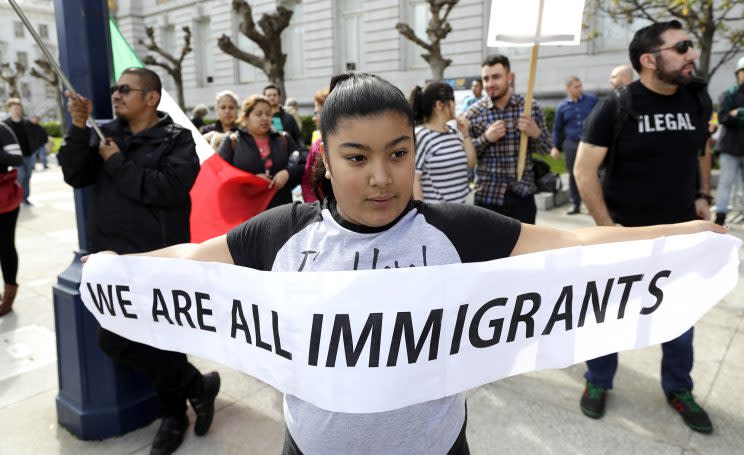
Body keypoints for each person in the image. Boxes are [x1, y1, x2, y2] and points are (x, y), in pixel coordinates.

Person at [105, 72, 725, 454]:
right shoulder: (280, 234)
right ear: (326, 160)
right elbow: (188, 264)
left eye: (398, 153)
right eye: (357, 157)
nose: (382, 177)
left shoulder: (456, 231)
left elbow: (575, 246)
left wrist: (683, 234)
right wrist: (116, 271)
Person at [58, 67, 221, 455]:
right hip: (113, 262)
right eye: (115, 88)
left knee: (164, 341)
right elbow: (74, 173)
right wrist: (80, 127)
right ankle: (197, 386)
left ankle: (174, 417)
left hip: (158, 260)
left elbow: (165, 189)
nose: (115, 94)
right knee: (115, 339)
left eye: (125, 89)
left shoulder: (177, 139)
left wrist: (117, 163)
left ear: (151, 97)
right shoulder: (104, 133)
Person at [573, 20, 715, 433]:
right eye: (682, 47)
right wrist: (608, 230)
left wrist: (703, 195)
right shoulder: (617, 106)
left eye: (689, 45)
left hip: (681, 237)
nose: (691, 54)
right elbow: (584, 171)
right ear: (649, 61)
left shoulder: (696, 99)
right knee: (608, 317)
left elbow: (701, 150)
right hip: (625, 236)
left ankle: (678, 388)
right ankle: (598, 380)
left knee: (681, 317)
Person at [465, 54, 553, 223]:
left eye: (496, 77)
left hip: (522, 195)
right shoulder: (473, 113)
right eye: (486, 78)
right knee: (488, 250)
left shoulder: (529, 107)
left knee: (526, 250)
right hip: (487, 197)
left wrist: (535, 133)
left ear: (509, 77)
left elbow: (547, 149)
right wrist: (486, 138)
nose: (490, 83)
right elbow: (468, 158)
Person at [218, 95, 304, 209]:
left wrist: (288, 173)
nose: (265, 118)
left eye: (268, 114)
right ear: (246, 117)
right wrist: (251, 179)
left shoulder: (284, 139)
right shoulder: (232, 141)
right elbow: (219, 173)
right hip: (245, 212)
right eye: (259, 114)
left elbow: (303, 164)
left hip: (281, 211)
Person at [409, 81, 475, 203]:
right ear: (440, 105)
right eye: (452, 99)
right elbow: (414, 179)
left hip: (461, 213)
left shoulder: (453, 131)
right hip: (437, 217)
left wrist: (466, 134)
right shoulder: (422, 135)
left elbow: (471, 164)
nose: (455, 104)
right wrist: (422, 213)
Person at [550, 76, 598, 215]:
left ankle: (593, 205)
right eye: (576, 86)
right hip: (571, 144)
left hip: (590, 143)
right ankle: (575, 204)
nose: (580, 88)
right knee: (573, 174)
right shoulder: (562, 107)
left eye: (580, 85)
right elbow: (557, 129)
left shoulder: (592, 100)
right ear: (568, 89)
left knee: (592, 173)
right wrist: (555, 147)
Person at [713, 56, 744, 226]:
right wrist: (738, 114)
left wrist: (738, 113)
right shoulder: (728, 94)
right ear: (738, 74)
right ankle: (720, 215)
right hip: (730, 147)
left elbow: (731, 116)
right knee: (725, 182)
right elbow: (723, 117)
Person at [0, 122, 23, 316]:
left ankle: (9, 295)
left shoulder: (2, 129)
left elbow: (17, 158)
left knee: (5, 246)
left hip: (3, 200)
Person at [3, 98, 43, 206]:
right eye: (14, 108)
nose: (16, 110)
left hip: (28, 154)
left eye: (18, 108)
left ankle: (24, 198)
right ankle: (16, 198)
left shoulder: (27, 123)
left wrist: (35, 147)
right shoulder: (5, 125)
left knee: (28, 176)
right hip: (15, 157)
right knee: (21, 175)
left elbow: (39, 134)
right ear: (10, 110)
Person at [301, 88, 329, 203]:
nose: (314, 118)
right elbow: (307, 182)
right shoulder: (317, 145)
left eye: (316, 113)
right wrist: (315, 207)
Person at [263, 84, 304, 148]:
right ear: (264, 98)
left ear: (279, 97)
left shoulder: (289, 117)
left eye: (274, 95)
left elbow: (298, 137)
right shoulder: (261, 119)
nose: (272, 97)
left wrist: (301, 152)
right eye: (269, 95)